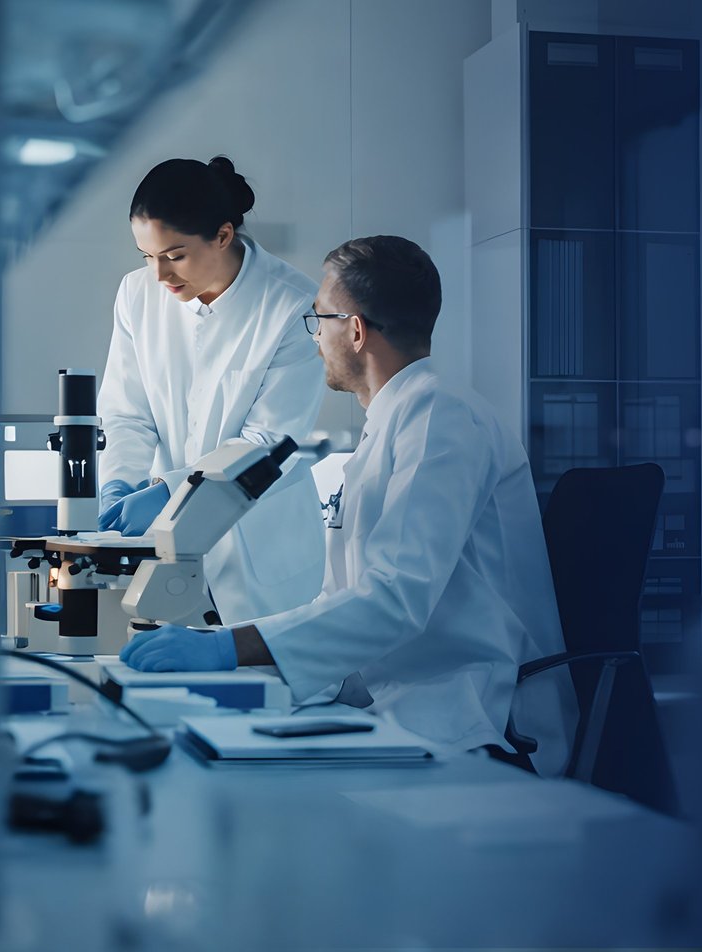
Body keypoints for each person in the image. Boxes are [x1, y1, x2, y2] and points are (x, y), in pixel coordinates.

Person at [118, 235, 575, 773]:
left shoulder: (442, 421)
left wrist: (228, 651)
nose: (314, 339)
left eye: (318, 319)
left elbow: (393, 599)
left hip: (472, 713)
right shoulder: (388, 429)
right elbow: (346, 602)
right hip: (391, 699)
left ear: (354, 330)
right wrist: (219, 649)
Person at [96, 156, 328, 624]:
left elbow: (269, 445)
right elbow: (127, 413)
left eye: (174, 255)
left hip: (260, 549)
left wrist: (169, 491)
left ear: (223, 236)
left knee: (265, 687)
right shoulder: (136, 294)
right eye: (147, 256)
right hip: (167, 551)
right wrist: (118, 482)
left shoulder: (293, 304)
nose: (159, 275)